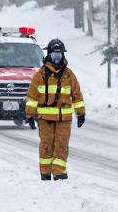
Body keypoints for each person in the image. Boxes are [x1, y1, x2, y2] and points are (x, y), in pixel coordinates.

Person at [25, 38, 85, 181]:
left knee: (62, 146)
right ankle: (45, 174)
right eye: (54, 55)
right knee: (46, 146)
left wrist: (81, 113)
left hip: (63, 120)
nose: (57, 58)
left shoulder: (69, 75)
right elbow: (32, 97)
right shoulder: (40, 76)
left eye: (59, 55)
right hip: (45, 120)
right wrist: (29, 115)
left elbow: (77, 95)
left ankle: (60, 173)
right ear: (49, 55)